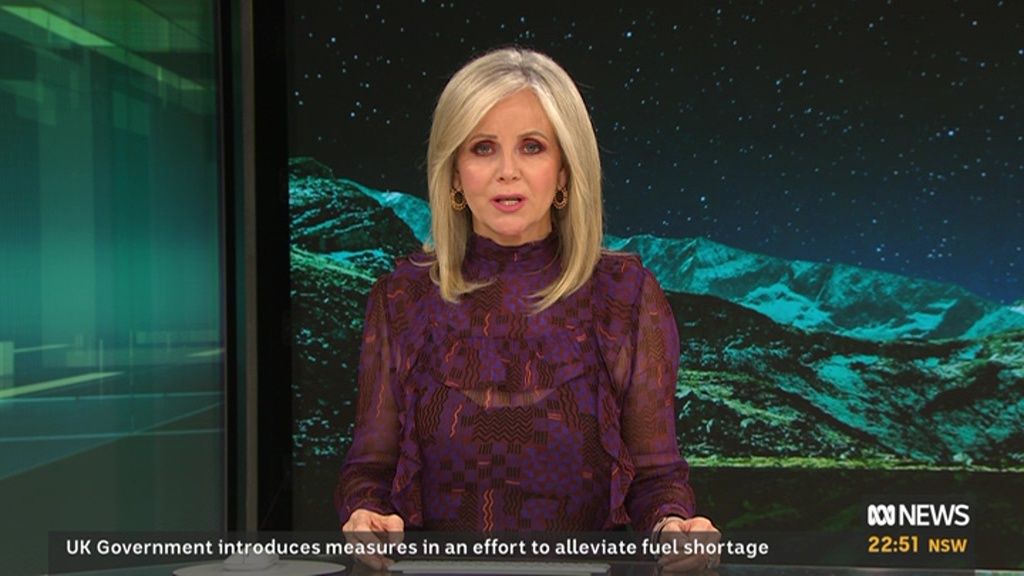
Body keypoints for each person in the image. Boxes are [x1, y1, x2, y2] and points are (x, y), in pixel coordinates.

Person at [336, 47, 720, 572]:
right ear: (454, 173)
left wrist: (673, 526)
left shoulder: (625, 296)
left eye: (532, 147)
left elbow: (655, 479)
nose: (507, 172)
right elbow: (370, 472)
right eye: (483, 148)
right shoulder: (401, 298)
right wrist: (366, 516)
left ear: (564, 172)